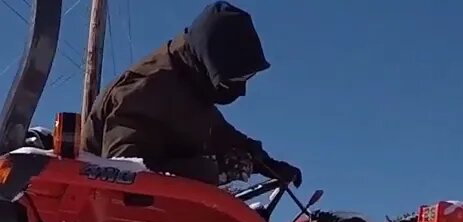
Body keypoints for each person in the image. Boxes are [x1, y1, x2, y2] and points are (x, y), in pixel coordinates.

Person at [82, 1, 300, 187]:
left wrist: (263, 162)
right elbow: (127, 174)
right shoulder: (148, 89)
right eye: (234, 80)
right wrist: (214, 170)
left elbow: (216, 132)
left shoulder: (191, 85)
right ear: (213, 64)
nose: (240, 92)